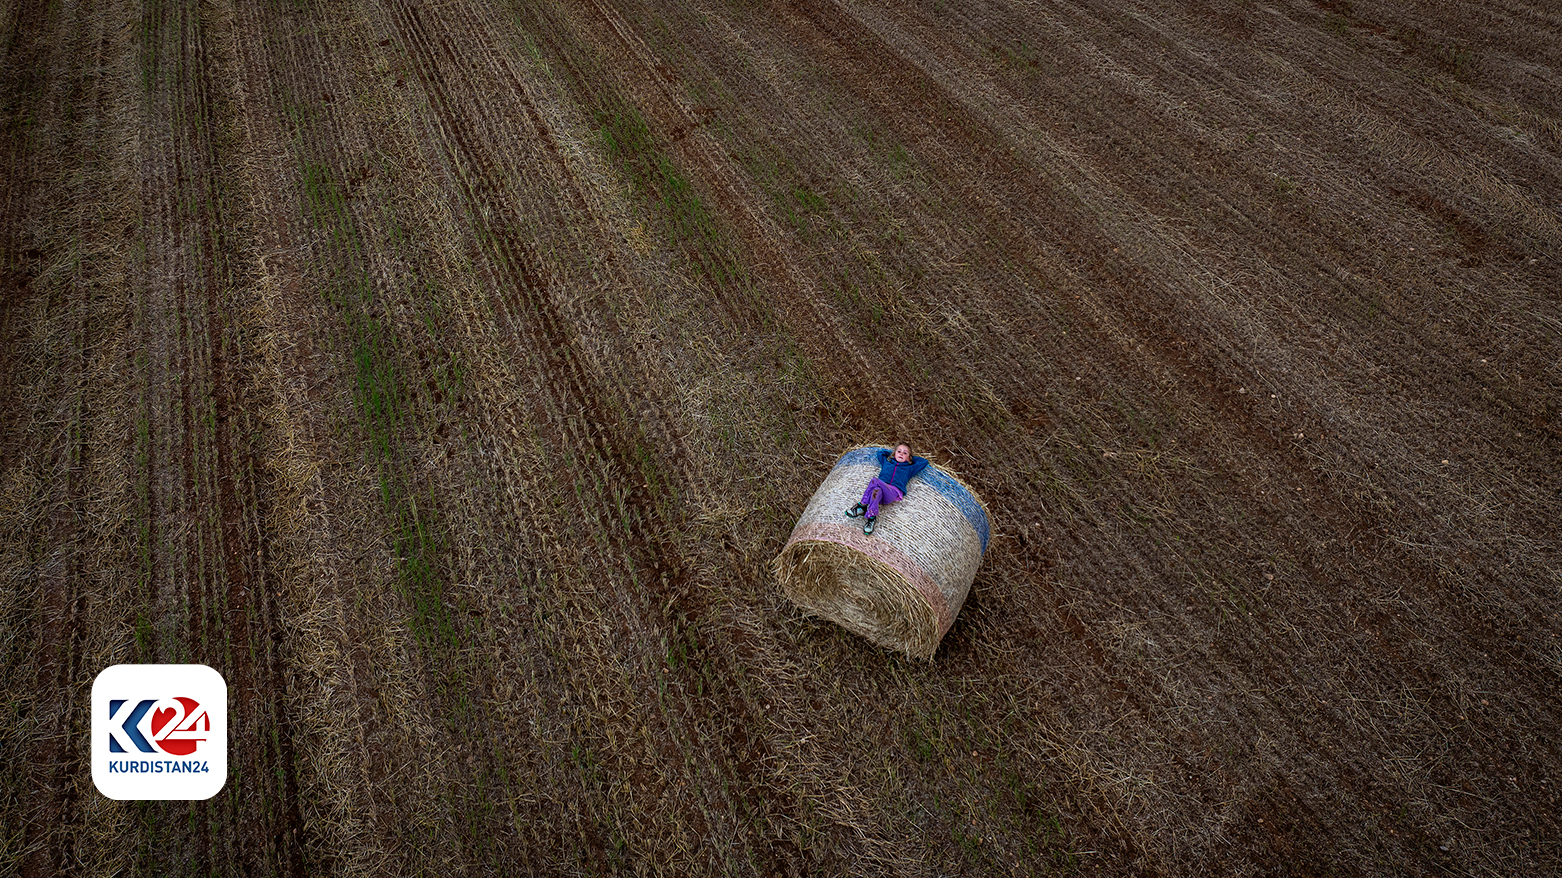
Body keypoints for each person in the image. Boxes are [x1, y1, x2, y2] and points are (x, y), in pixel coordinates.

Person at [844, 443, 929, 535]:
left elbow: (924, 462)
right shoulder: (887, 462)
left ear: (909, 457)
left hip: (892, 492)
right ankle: (871, 518)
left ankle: (862, 505)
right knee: (876, 491)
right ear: (894, 453)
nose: (901, 454)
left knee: (874, 481)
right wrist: (892, 453)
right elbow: (880, 453)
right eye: (899, 451)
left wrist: (910, 459)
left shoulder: (910, 468)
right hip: (880, 493)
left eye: (905, 453)